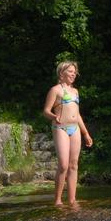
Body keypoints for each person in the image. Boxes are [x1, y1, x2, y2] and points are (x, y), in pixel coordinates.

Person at [42, 61, 93, 206]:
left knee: (73, 165)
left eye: (74, 72)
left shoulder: (75, 91)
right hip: (60, 128)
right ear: (61, 73)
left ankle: (72, 200)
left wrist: (86, 133)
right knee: (63, 164)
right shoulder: (55, 90)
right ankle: (57, 200)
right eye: (70, 71)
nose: (73, 74)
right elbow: (46, 111)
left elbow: (78, 115)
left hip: (75, 128)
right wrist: (54, 117)